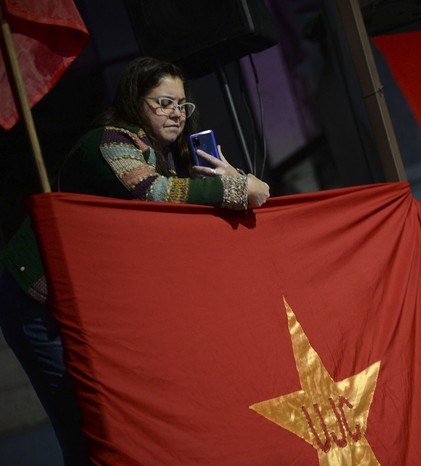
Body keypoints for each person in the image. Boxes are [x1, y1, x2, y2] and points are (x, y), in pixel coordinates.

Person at [0, 56, 270, 465]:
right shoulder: (111, 141)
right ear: (134, 99)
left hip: (87, 303)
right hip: (35, 298)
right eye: (164, 102)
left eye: (182, 105)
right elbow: (153, 193)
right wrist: (236, 190)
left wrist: (230, 178)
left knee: (117, 423)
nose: (176, 113)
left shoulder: (162, 156)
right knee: (87, 427)